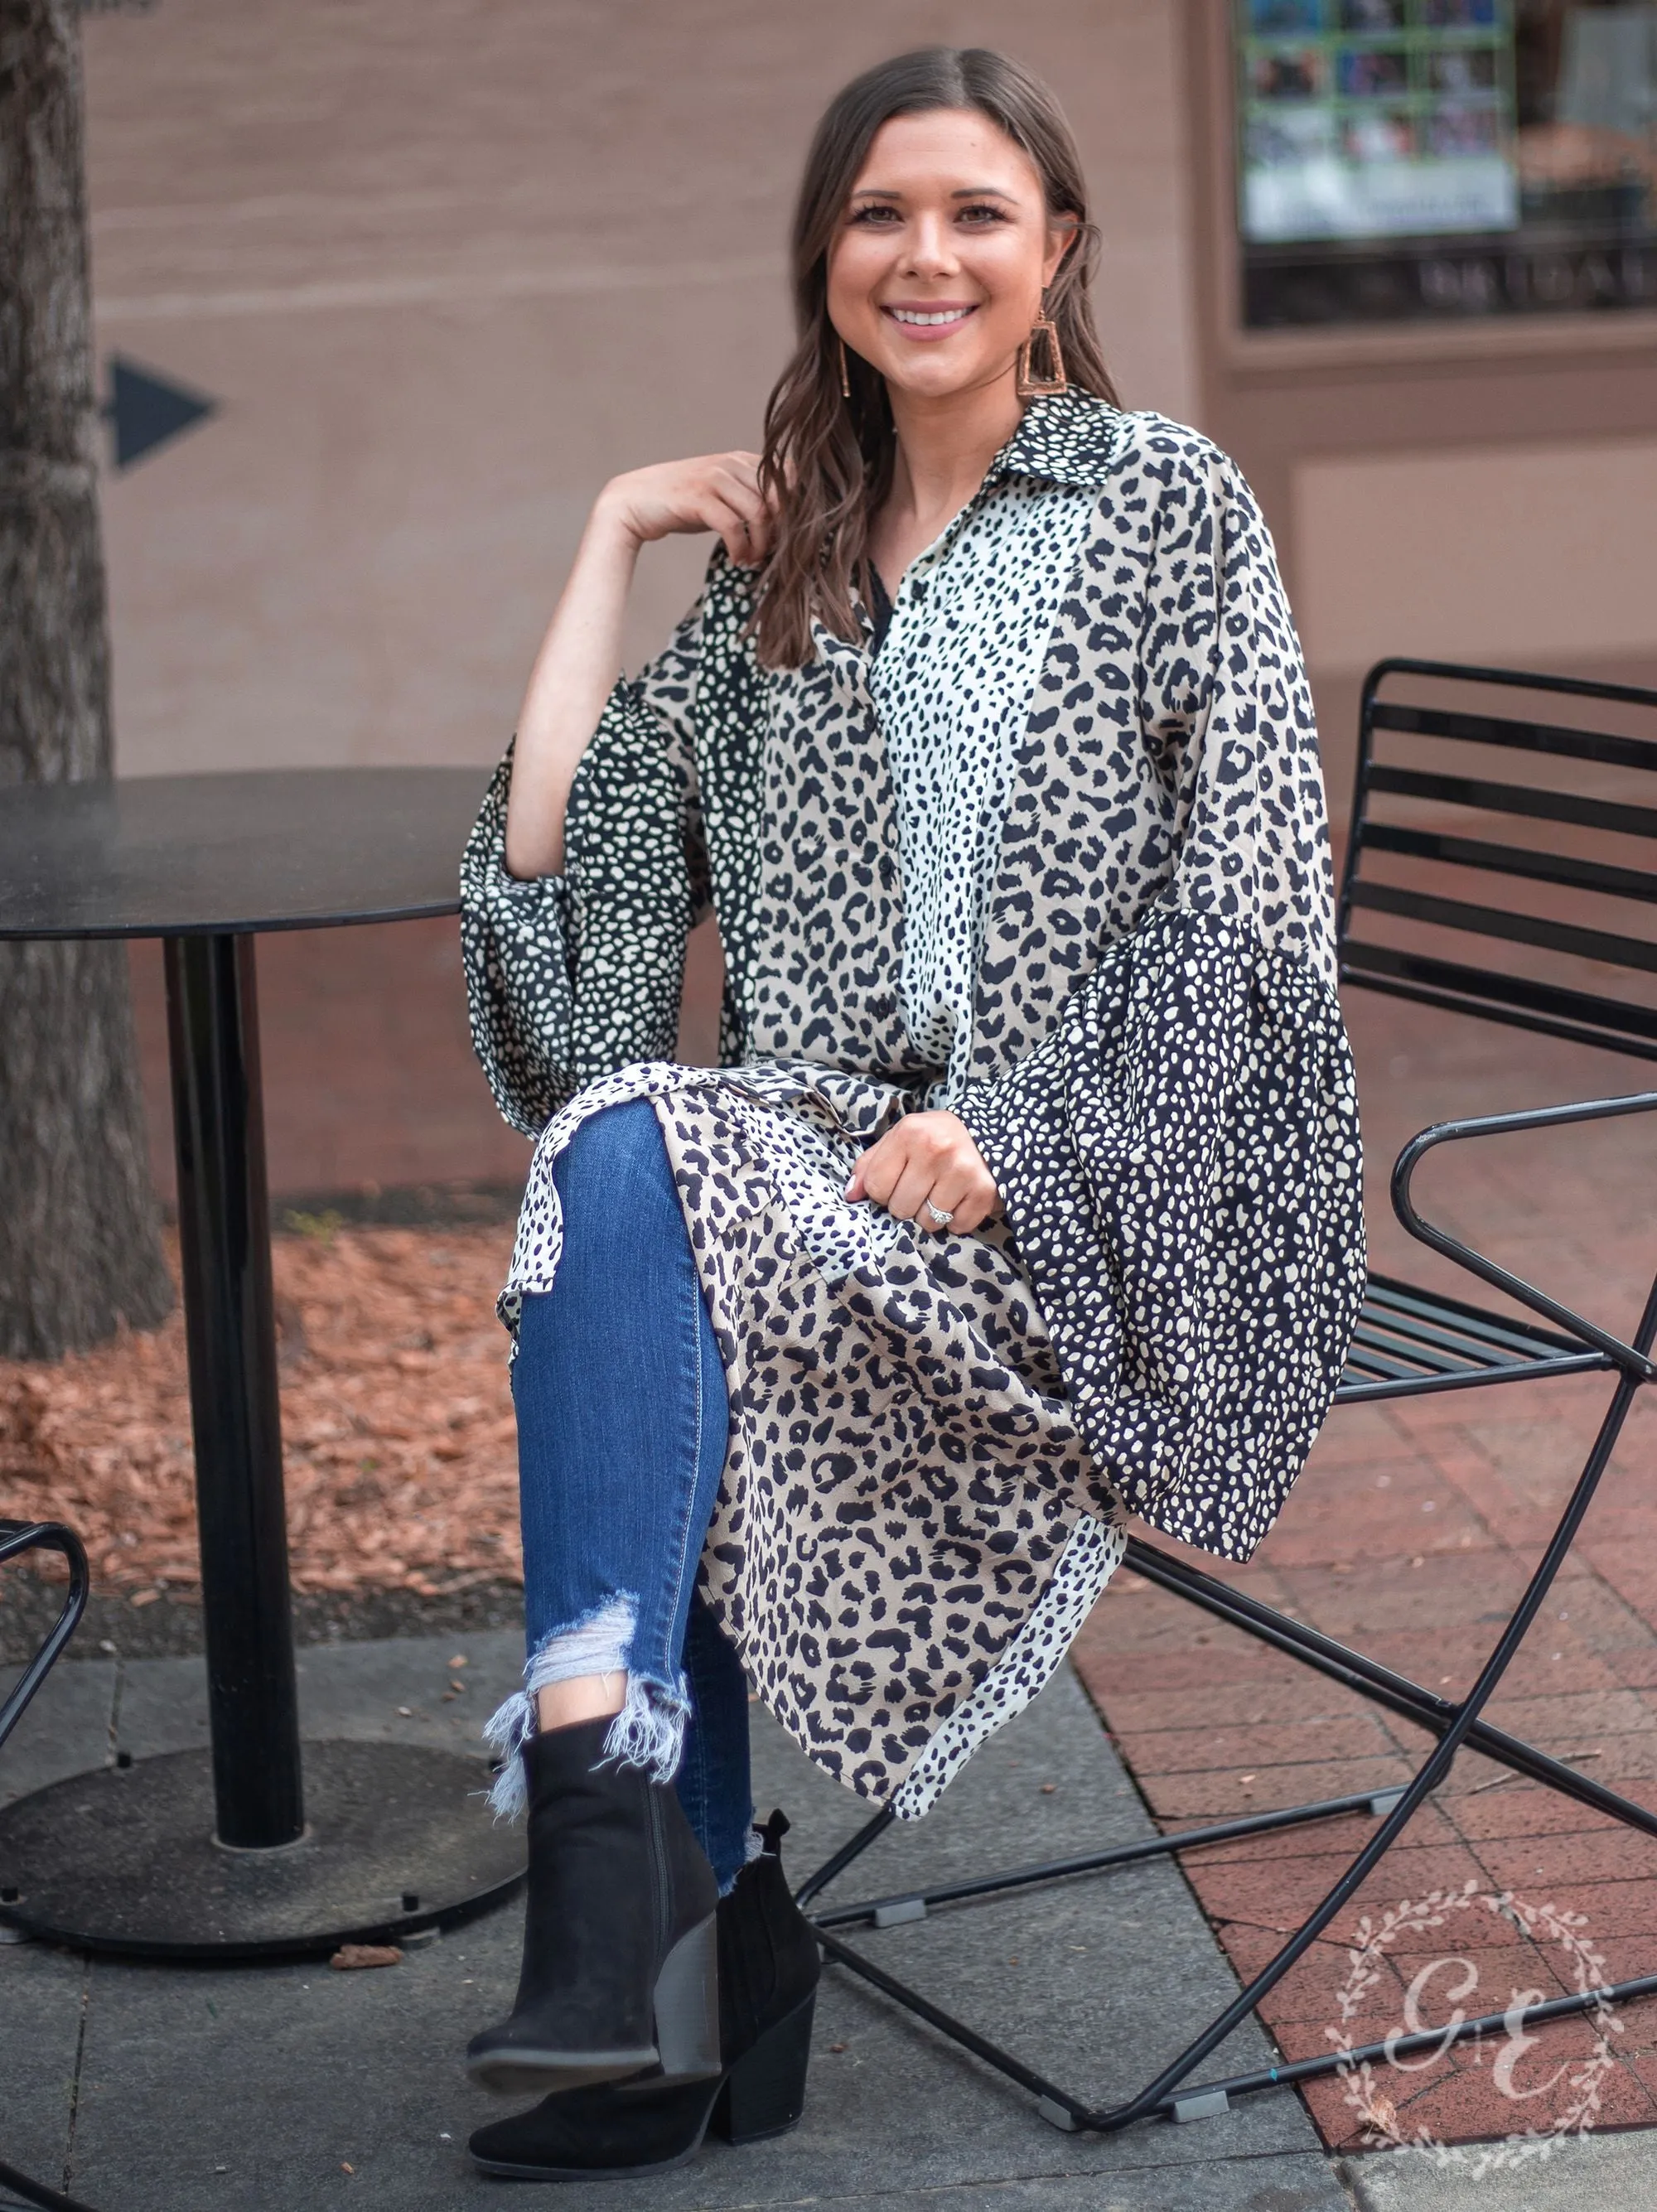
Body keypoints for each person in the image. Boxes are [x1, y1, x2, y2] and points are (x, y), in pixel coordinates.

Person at [457, 44, 1366, 2182]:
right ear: (825, 258)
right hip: (822, 1173)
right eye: (879, 214)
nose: (923, 253)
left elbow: (1256, 923)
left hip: (1123, 1201)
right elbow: (567, 901)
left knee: (630, 1224)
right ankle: (646, 1926)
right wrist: (609, 534)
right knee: (618, 1162)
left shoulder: (1164, 505)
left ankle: (647, 1948)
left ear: (1057, 252)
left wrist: (1025, 1126)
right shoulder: (796, 554)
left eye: (972, 211)